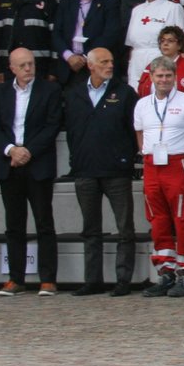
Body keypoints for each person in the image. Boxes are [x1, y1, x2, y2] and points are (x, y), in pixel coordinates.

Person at [0, 47, 63, 296]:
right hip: (9, 164)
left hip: (37, 163)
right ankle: (15, 278)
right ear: (12, 68)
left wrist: (27, 151)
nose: (28, 68)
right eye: (23, 65)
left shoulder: (49, 90)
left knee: (44, 222)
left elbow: (52, 125)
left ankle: (48, 279)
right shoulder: (0, 92)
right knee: (14, 224)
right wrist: (11, 150)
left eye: (31, 63)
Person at [63, 46, 139, 296]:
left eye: (111, 61)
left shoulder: (125, 93)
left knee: (124, 228)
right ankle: (92, 279)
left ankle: (123, 280)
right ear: (90, 65)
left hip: (116, 170)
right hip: (85, 170)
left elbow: (133, 131)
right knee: (90, 229)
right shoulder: (74, 94)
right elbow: (72, 131)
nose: (109, 65)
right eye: (104, 61)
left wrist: (127, 159)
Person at [133, 55, 184, 297]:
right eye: (159, 76)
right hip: (152, 165)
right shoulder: (142, 104)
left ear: (174, 77)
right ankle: (166, 271)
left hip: (178, 163)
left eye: (168, 76)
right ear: (152, 78)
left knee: (182, 218)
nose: (163, 80)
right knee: (157, 219)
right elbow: (140, 136)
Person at [53, 0, 120, 85]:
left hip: (96, 66)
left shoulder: (110, 4)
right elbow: (56, 33)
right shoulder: (65, 3)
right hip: (68, 66)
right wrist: (69, 57)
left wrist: (85, 58)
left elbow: (110, 34)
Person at [124, 0, 184, 90]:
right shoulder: (137, 10)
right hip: (137, 59)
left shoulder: (173, 7)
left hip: (159, 57)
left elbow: (181, 41)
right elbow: (131, 43)